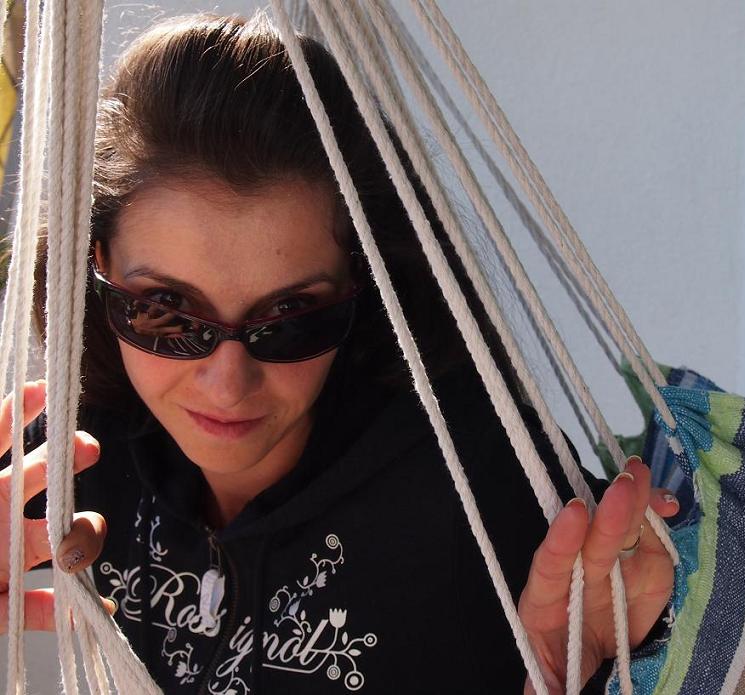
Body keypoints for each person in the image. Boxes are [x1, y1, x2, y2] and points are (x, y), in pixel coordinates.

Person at [0, 12, 679, 693]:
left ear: (362, 280)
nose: (228, 383)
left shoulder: (482, 486)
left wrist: (602, 676)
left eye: (290, 318)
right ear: (96, 265)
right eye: (165, 311)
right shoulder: (76, 453)